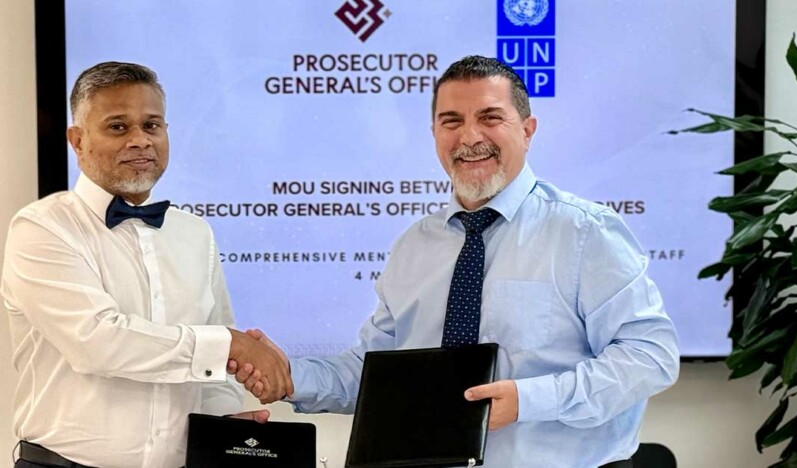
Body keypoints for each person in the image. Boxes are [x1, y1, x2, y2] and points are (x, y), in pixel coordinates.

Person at [238, 55, 680, 467]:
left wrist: (528, 400)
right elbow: (376, 374)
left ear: (528, 130)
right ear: (434, 133)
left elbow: (650, 357)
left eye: (490, 118)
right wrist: (290, 376)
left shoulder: (585, 233)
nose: (469, 137)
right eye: (452, 121)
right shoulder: (414, 246)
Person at [2, 61, 292, 468]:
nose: (140, 140)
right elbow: (98, 342)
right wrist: (228, 343)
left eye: (151, 125)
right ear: (77, 140)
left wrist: (222, 424)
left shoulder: (195, 233)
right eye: (118, 127)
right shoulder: (43, 227)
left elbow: (216, 367)